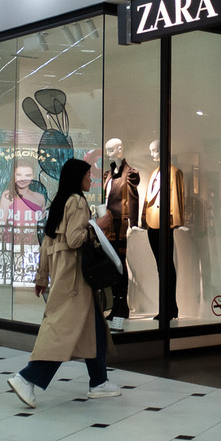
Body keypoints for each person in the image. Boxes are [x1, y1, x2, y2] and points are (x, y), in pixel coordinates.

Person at [7, 158, 121, 408]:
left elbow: (47, 243)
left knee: (94, 329)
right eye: (88, 175)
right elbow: (75, 239)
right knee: (63, 334)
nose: (90, 179)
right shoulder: (78, 201)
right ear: (78, 177)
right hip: (76, 279)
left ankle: (99, 381)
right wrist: (98, 226)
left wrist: (41, 277)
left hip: (63, 275)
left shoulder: (60, 202)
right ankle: (27, 378)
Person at [141, 139, 184, 321]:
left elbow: (176, 197)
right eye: (151, 151)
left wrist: (176, 222)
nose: (152, 154)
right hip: (152, 223)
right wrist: (142, 220)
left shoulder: (174, 172)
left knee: (166, 266)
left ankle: (169, 307)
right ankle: (168, 307)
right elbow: (147, 199)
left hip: (165, 224)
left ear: (165, 150)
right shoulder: (154, 173)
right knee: (161, 266)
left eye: (156, 151)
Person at [102, 138, 140, 328]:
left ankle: (121, 306)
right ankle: (116, 305)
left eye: (111, 149)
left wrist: (133, 223)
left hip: (121, 225)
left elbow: (133, 198)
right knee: (113, 264)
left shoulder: (130, 173)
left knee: (120, 264)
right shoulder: (109, 174)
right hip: (109, 224)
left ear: (120, 149)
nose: (108, 153)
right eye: (107, 149)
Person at [0, 159, 45, 242]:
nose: (23, 179)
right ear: (14, 176)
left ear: (33, 176)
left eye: (27, 175)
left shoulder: (40, 198)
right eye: (19, 175)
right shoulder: (7, 195)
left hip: (35, 245)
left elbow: (43, 226)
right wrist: (0, 245)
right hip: (12, 244)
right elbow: (1, 224)